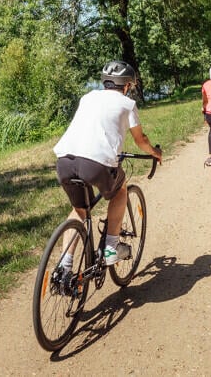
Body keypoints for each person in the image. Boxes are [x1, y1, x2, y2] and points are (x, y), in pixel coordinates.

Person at [53, 60, 162, 266]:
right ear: (127, 85)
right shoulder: (127, 104)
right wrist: (155, 153)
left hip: (64, 161)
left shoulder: (88, 97)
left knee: (79, 210)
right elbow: (141, 140)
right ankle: (111, 248)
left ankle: (64, 266)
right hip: (95, 164)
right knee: (120, 190)